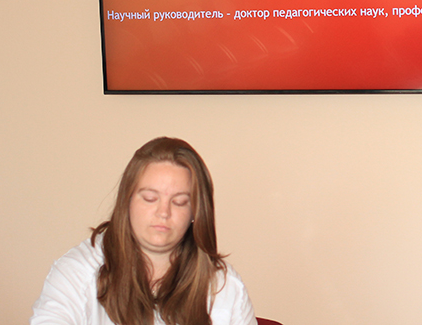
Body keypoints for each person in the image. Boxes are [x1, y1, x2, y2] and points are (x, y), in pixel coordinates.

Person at [31, 137, 256, 325]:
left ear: (195, 212)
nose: (163, 212)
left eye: (179, 202)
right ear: (127, 201)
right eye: (150, 198)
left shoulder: (225, 287)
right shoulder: (76, 272)